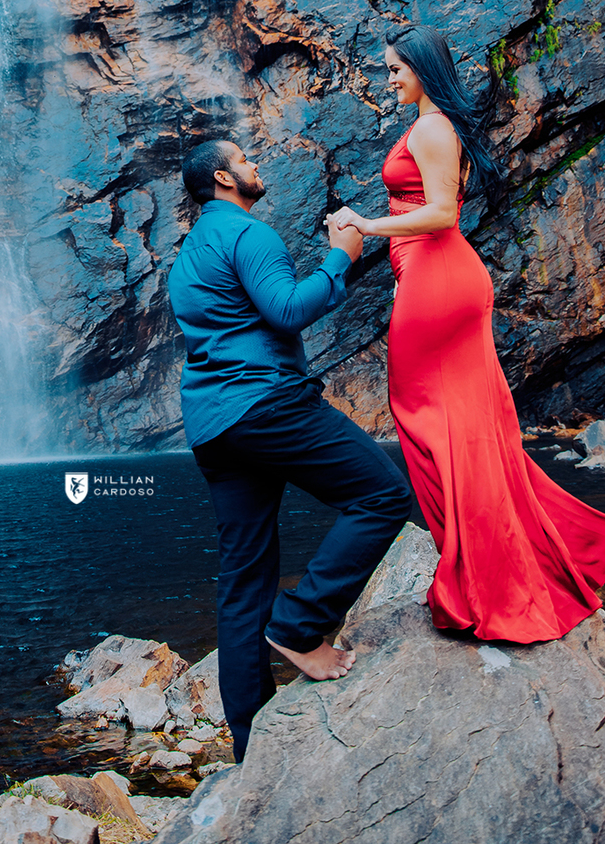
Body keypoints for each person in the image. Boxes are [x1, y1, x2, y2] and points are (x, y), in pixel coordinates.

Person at [331, 25, 605, 642]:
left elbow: (440, 213)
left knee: (428, 418)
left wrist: (365, 223)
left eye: (394, 69)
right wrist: (399, 271)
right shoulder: (432, 126)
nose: (388, 79)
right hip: (430, 276)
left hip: (440, 275)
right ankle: (489, 568)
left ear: (421, 69)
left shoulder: (434, 128)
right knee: (459, 426)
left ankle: (487, 579)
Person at [167, 140, 412, 762]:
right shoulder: (249, 236)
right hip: (269, 404)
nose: (258, 167)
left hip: (214, 428)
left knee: (243, 576)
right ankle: (299, 625)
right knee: (382, 495)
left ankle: (251, 745)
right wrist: (341, 255)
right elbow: (286, 310)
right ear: (225, 178)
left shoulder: (188, 256)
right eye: (247, 161)